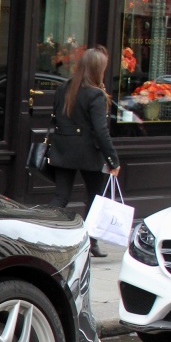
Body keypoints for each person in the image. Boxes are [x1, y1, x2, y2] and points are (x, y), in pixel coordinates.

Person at [46, 45, 121, 257]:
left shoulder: (64, 88)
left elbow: (56, 118)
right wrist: (113, 160)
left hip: (63, 148)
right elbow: (101, 131)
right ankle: (89, 242)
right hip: (89, 152)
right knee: (95, 198)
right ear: (98, 69)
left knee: (61, 196)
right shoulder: (96, 95)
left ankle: (45, 234)